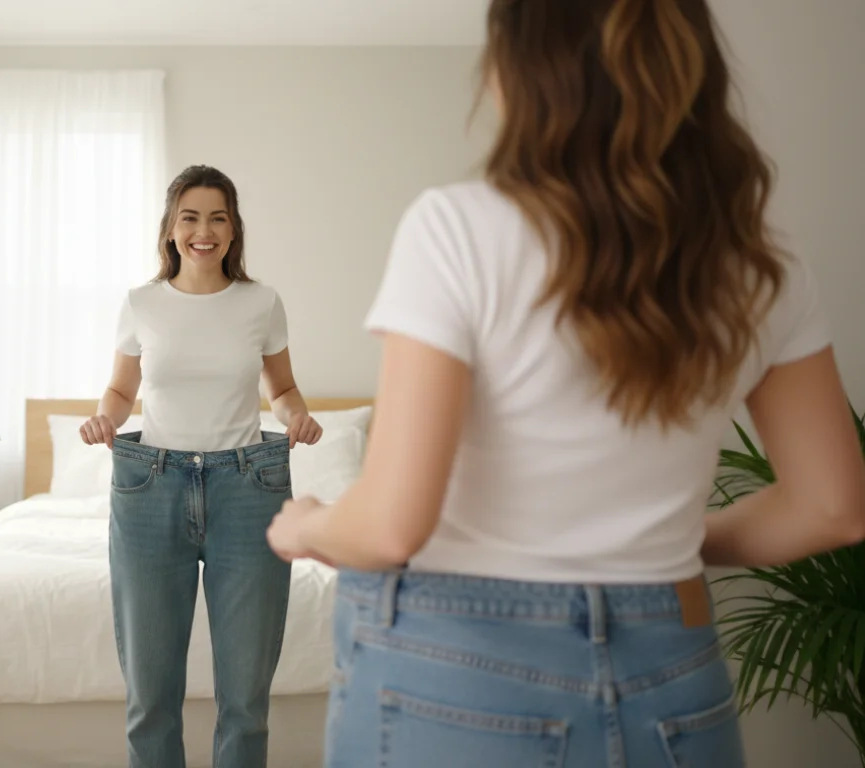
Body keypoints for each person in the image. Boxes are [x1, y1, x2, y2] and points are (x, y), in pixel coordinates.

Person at [265, 0, 865, 766]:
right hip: (670, 671)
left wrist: (305, 526)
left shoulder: (457, 228)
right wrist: (658, 543)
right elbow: (831, 508)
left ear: (518, 71)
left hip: (456, 670)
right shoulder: (760, 264)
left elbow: (388, 528)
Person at [81, 164, 323, 768]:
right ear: (170, 229)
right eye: (190, 218)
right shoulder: (141, 303)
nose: (204, 231)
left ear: (234, 229)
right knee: (150, 697)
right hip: (150, 489)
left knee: (245, 700)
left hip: (249, 489)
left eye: (218, 218)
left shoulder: (261, 302)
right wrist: (105, 418)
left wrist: (296, 415)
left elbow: (282, 388)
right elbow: (121, 390)